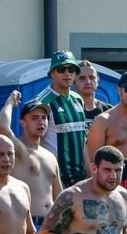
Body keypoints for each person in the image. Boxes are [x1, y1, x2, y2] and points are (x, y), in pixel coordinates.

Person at [40, 146, 127, 234]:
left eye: (118, 170)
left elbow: (123, 227)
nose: (113, 176)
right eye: (107, 170)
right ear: (94, 168)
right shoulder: (73, 195)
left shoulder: (123, 194)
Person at [0, 93, 63, 226]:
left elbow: (59, 196)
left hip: (50, 227)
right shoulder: (18, 151)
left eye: (44, 118)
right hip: (26, 226)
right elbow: (2, 127)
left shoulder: (50, 156)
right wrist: (10, 101)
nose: (41, 122)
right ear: (23, 123)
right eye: (34, 118)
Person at [39, 50, 90, 187]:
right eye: (62, 69)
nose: (67, 74)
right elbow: (34, 143)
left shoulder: (78, 99)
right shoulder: (42, 102)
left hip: (80, 178)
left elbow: (82, 140)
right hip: (55, 179)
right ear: (52, 73)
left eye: (71, 69)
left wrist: (90, 175)